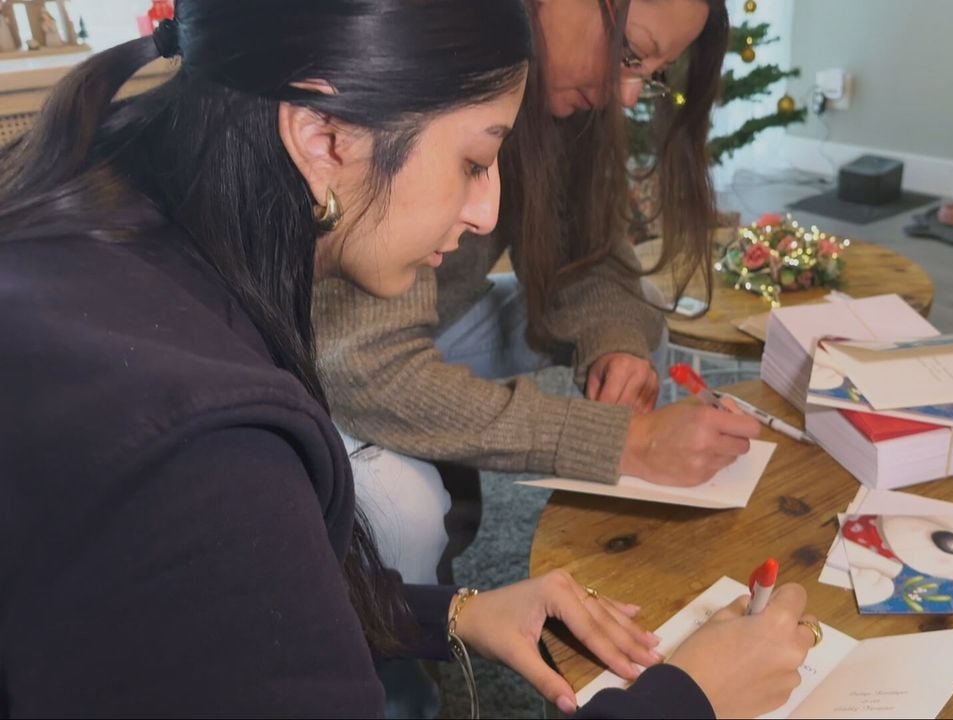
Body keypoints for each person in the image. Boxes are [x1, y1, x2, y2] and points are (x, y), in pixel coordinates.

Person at [0, 0, 817, 717]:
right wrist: (691, 700)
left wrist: (444, 614)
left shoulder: (124, 252)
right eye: (472, 161)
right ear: (322, 138)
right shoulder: (213, 455)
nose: (490, 210)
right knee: (405, 503)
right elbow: (349, 396)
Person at [314, 0, 751, 585]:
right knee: (406, 510)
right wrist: (618, 442)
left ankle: (622, 540)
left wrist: (615, 346)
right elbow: (364, 367)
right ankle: (400, 656)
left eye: (652, 76)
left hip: (427, 319)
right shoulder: (413, 55)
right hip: (318, 355)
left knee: (637, 330)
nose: (626, 97)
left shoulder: (560, 107)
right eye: (628, 53)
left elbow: (587, 260)